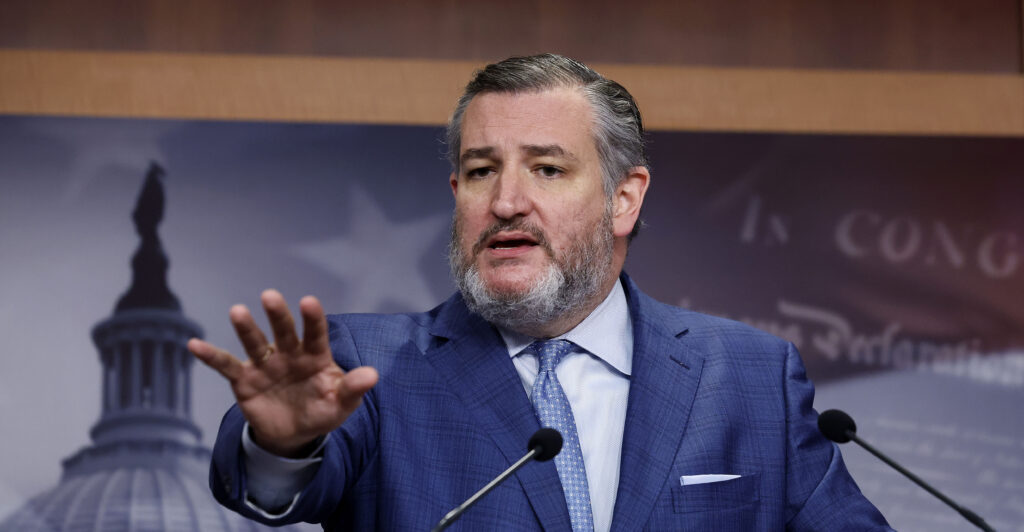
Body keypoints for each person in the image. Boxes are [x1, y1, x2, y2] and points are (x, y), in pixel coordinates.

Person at [189, 54, 892, 531]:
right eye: (481, 171)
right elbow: (276, 489)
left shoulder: (747, 375)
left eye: (548, 170)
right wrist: (282, 448)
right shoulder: (368, 366)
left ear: (624, 198)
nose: (506, 202)